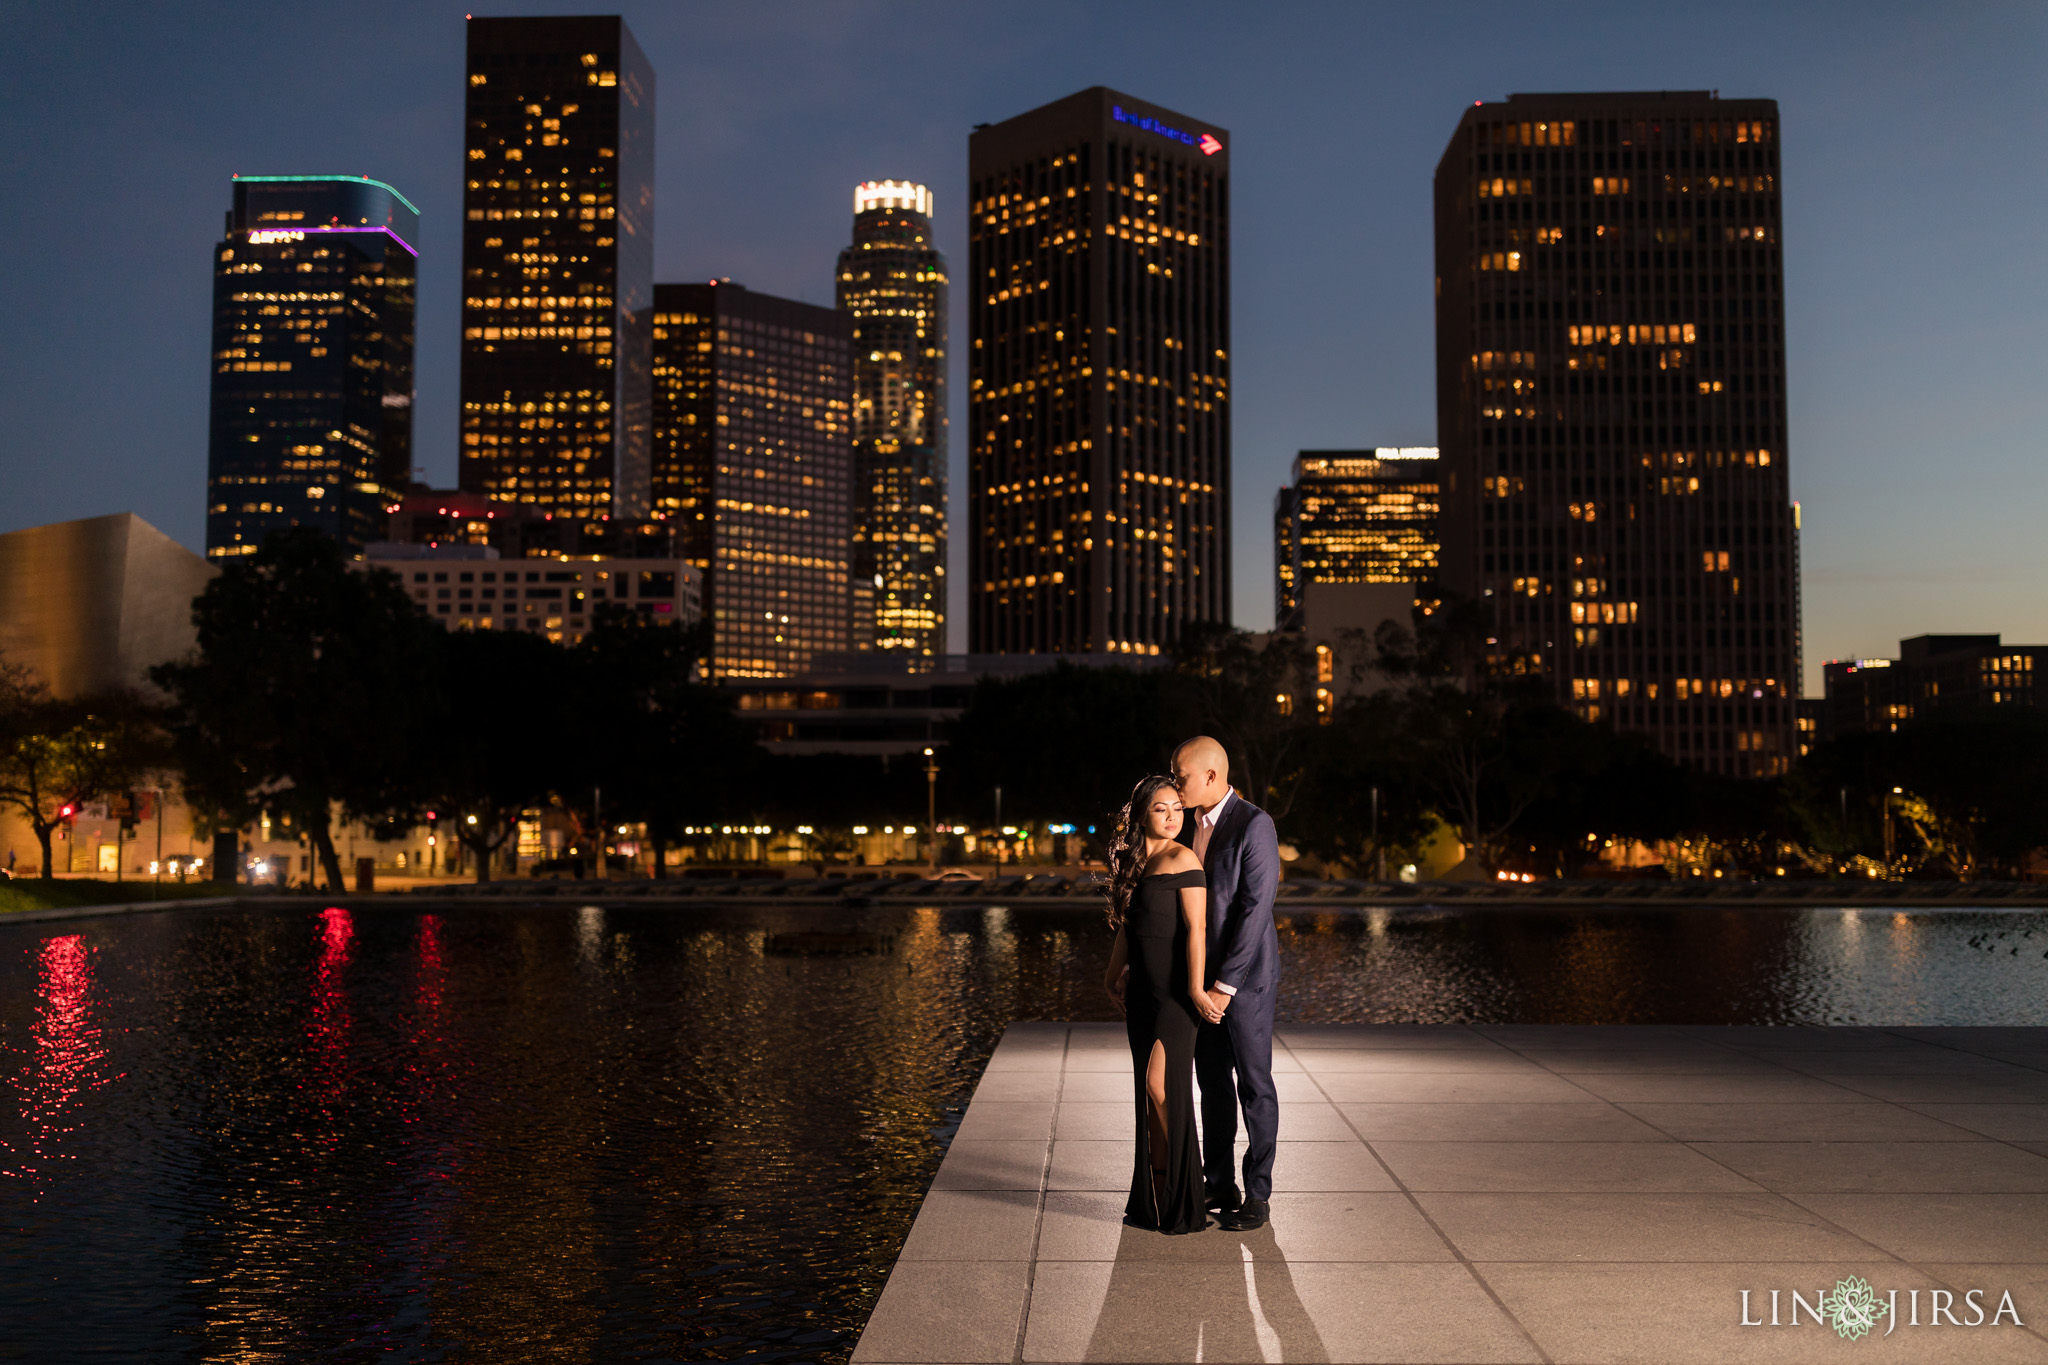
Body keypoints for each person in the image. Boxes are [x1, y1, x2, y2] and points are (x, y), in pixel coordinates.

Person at [1171, 735, 1281, 1232]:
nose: (1176, 785)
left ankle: (1257, 1194)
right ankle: (1218, 1182)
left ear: (1211, 777)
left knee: (1254, 1087)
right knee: (1211, 1084)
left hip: (1245, 984)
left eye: (1181, 776)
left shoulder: (1254, 824)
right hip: (1200, 983)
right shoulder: (1186, 826)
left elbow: (1254, 912)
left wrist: (1224, 986)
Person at [1101, 774, 1219, 1234]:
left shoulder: (1183, 857)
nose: (1173, 817)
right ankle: (1156, 1194)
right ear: (1142, 814)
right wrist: (1111, 976)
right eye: (1161, 809)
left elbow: (1197, 930)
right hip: (1143, 992)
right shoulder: (1132, 863)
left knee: (1160, 1086)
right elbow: (1128, 931)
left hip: (1174, 993)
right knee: (1148, 1095)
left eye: (1177, 808)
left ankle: (1184, 1194)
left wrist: (1194, 989)